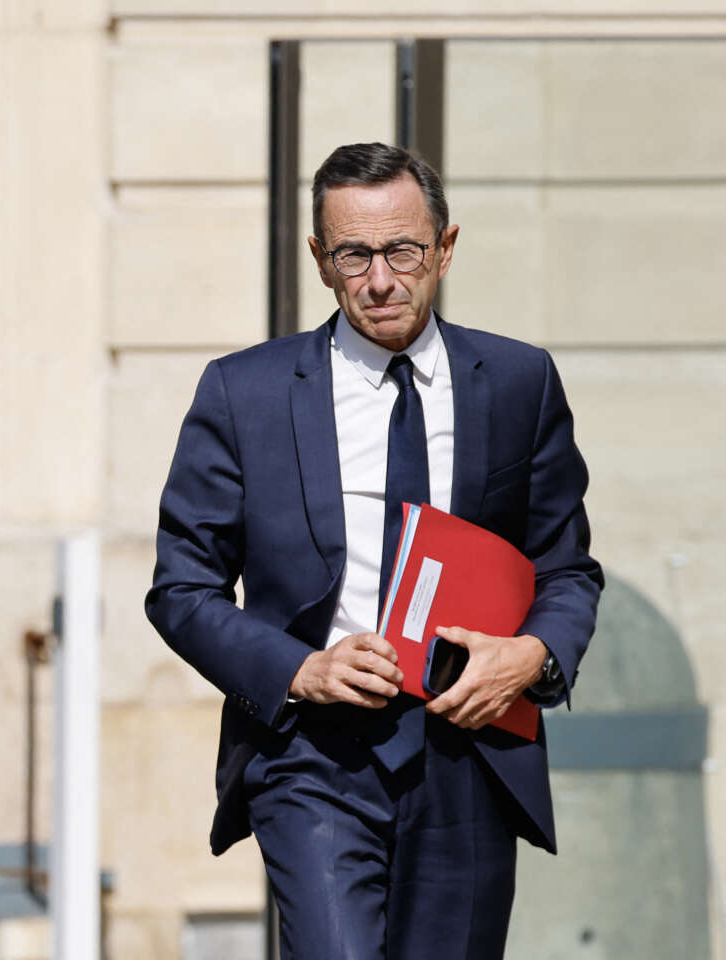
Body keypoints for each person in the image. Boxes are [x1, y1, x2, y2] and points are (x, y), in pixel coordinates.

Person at [145, 141, 601, 959]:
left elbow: (566, 567)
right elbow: (181, 588)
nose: (381, 279)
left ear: (445, 249)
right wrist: (298, 668)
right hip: (310, 756)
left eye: (402, 251)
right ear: (321, 260)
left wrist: (530, 656)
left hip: (469, 751)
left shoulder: (519, 380)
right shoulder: (241, 393)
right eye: (355, 254)